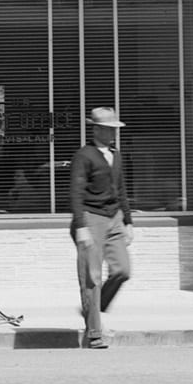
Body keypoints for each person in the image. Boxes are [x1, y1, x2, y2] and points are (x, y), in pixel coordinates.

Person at [70, 106, 132, 349]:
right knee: (91, 277)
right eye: (108, 129)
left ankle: (94, 307)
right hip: (91, 218)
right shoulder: (84, 156)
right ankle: (94, 332)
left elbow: (121, 190)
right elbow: (75, 193)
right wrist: (80, 225)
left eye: (114, 129)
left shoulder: (115, 155)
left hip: (114, 217)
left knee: (122, 270)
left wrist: (128, 221)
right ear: (96, 129)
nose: (113, 133)